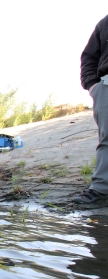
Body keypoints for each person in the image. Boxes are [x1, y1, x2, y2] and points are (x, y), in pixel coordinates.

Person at [74, 15, 108, 205]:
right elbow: (88, 57)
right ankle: (101, 188)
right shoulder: (104, 23)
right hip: (106, 85)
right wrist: (92, 85)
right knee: (107, 138)